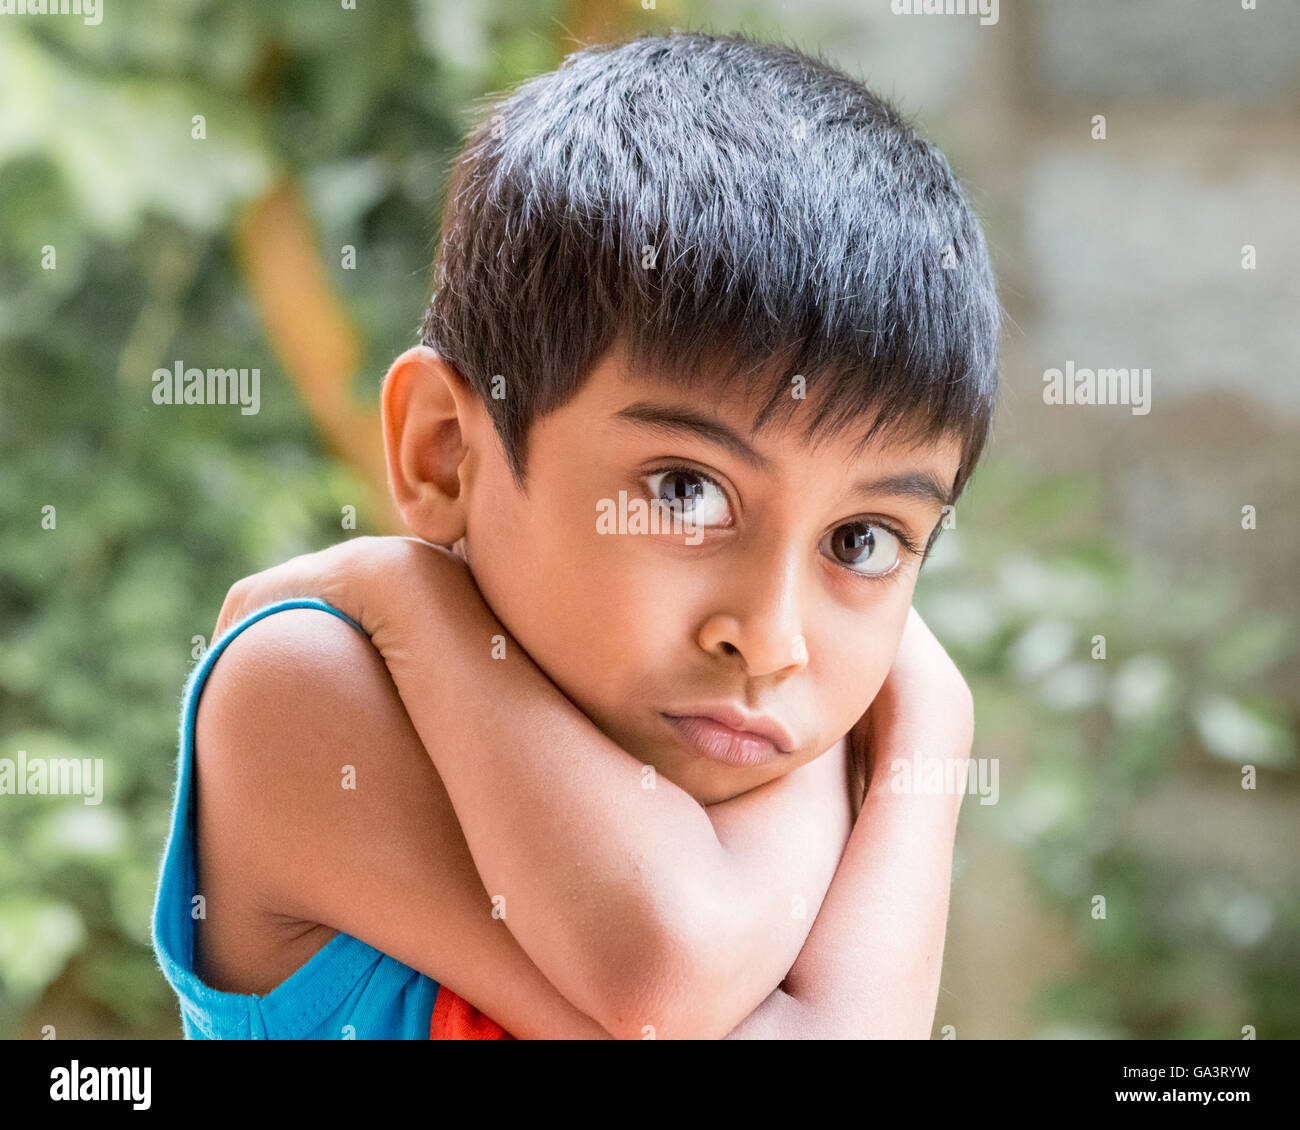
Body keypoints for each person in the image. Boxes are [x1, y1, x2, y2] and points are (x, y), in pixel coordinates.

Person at [151, 29, 1000, 1039]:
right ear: (443, 454)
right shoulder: (301, 682)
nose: (770, 638)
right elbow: (663, 969)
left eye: (860, 540)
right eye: (685, 489)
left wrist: (930, 733)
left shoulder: (788, 735)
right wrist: (401, 593)